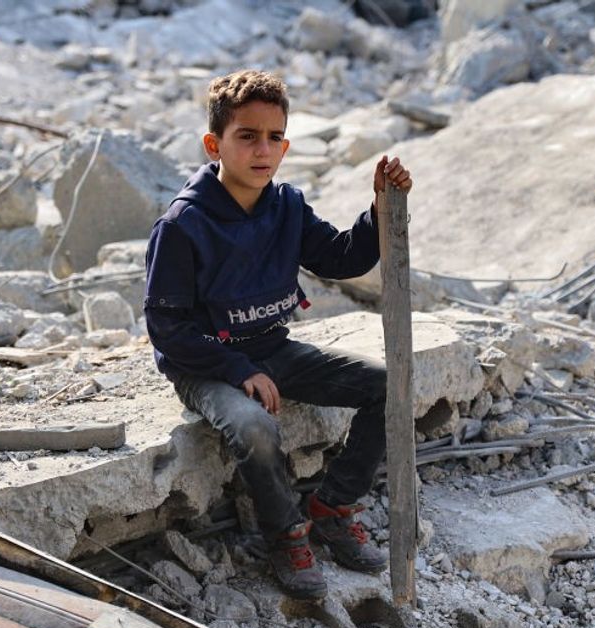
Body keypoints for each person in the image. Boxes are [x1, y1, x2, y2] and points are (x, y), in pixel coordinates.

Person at [144, 69, 413, 599]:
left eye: (274, 138)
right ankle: (286, 535)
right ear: (214, 144)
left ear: (286, 145)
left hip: (274, 347)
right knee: (254, 426)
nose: (262, 150)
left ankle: (333, 508)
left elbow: (340, 257)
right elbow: (167, 329)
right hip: (206, 364)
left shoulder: (286, 205)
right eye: (246, 136)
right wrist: (239, 370)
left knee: (388, 387)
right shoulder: (181, 226)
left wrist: (379, 210)